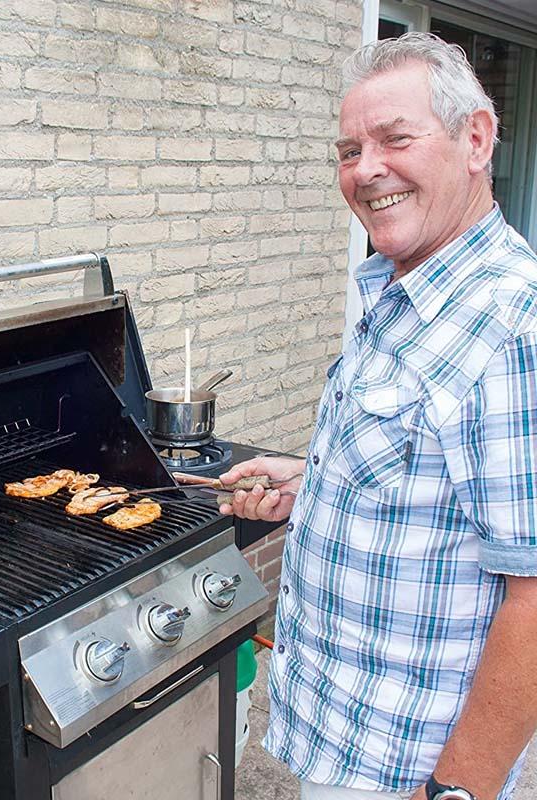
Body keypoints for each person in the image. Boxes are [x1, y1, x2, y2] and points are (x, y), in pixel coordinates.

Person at [219, 32, 537, 800]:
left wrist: (460, 787)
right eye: (348, 150)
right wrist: (318, 480)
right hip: (343, 735)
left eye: (395, 139)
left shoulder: (510, 325)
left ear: (476, 138)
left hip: (409, 769)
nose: (366, 171)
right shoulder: (403, 290)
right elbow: (435, 474)